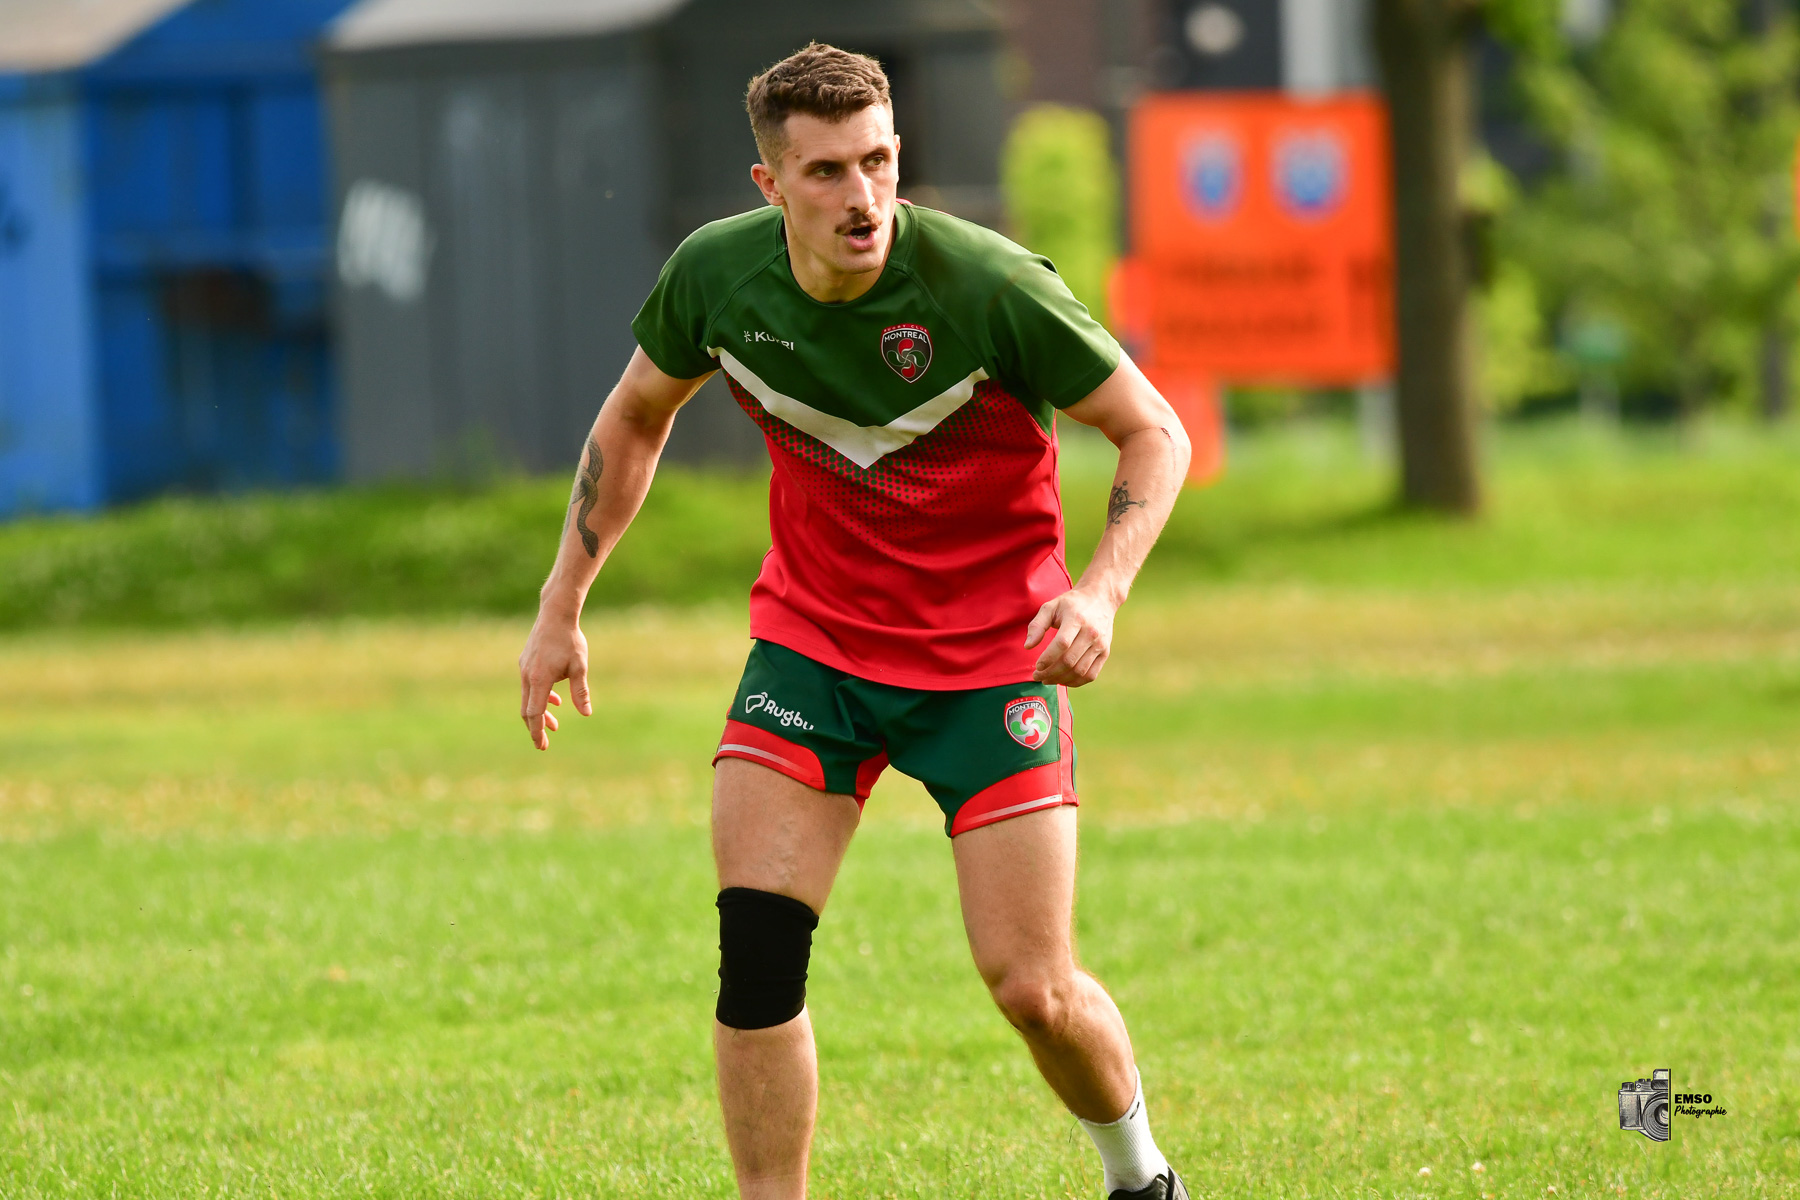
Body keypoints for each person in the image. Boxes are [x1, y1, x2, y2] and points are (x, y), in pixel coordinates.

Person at [517, 41, 1193, 1200]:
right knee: (756, 956)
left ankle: (1142, 1179)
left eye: (878, 161)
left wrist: (1100, 591)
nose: (863, 196)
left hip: (995, 662)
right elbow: (633, 417)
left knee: (1032, 988)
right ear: (769, 185)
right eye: (827, 171)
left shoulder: (986, 283)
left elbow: (1155, 432)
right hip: (814, 651)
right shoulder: (717, 277)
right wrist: (559, 605)